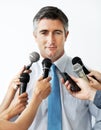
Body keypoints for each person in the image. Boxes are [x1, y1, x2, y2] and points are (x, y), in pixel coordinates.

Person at [18, 6, 101, 130]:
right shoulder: (23, 79)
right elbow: (9, 123)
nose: (51, 40)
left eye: (57, 32)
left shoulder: (86, 76)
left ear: (66, 35)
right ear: (35, 36)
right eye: (44, 32)